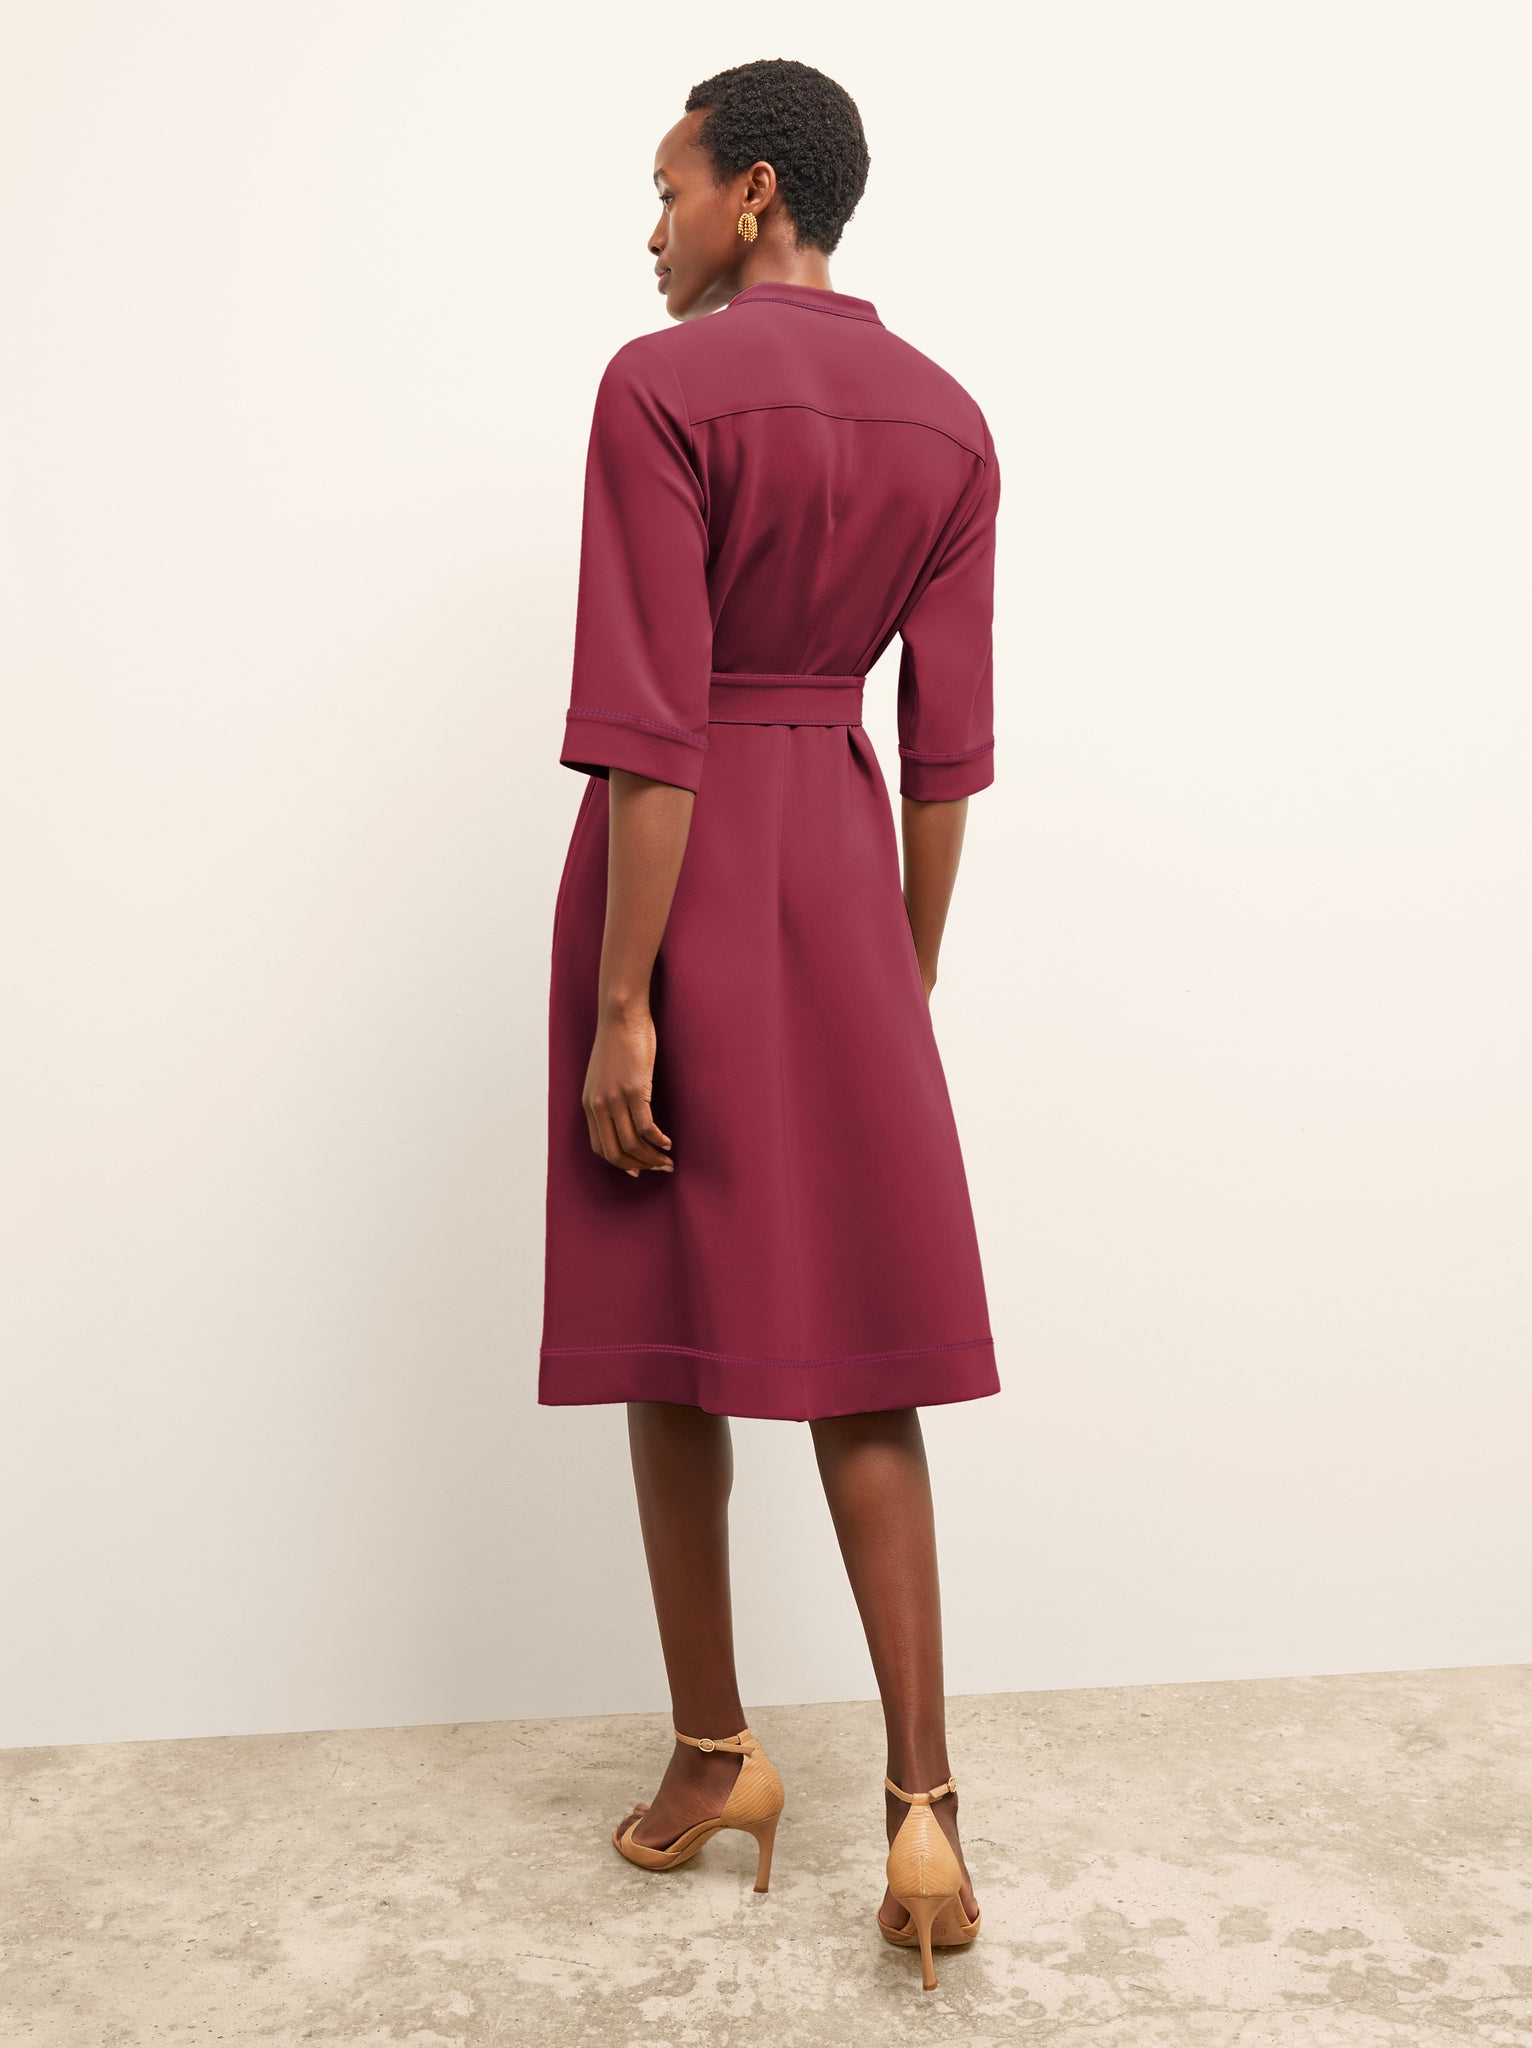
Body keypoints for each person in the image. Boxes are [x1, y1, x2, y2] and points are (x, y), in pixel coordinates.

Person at [539, 57, 1000, 1990]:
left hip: (688, 880)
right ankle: (922, 1806)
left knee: (675, 1334)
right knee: (865, 1353)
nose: (649, 230)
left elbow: (654, 729)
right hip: (841, 879)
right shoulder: (951, 423)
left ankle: (716, 1755)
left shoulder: (663, 388)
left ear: (752, 194)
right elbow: (950, 757)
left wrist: (625, 1001)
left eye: (668, 190)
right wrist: (903, 970)